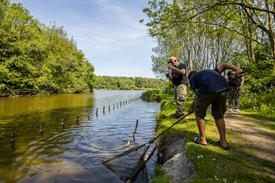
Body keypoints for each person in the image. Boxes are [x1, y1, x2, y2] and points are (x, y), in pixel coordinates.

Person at [188, 63, 242, 150]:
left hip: (208, 88)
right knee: (219, 115)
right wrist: (237, 69)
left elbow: (198, 95)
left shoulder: (193, 78)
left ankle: (202, 139)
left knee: (199, 114)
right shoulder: (212, 72)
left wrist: (192, 108)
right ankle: (223, 142)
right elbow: (224, 65)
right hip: (224, 88)